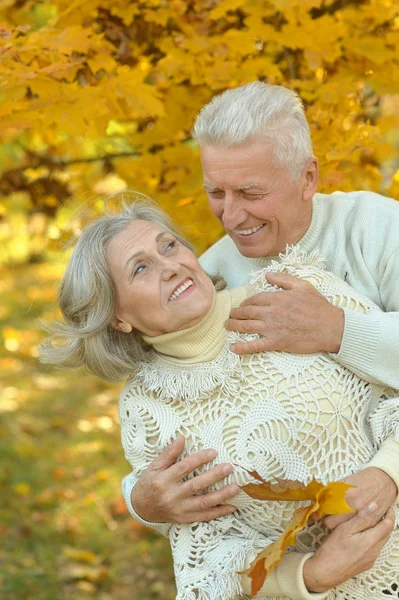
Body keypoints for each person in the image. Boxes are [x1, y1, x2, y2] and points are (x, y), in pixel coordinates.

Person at [40, 198, 398, 599]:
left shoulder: (291, 293)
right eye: (141, 267)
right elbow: (209, 550)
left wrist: (388, 472)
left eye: (169, 246)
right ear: (117, 317)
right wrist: (309, 576)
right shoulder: (148, 408)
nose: (170, 265)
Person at [122, 81, 399, 540]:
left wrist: (338, 329)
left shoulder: (377, 229)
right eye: (216, 193)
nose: (231, 217)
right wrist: (139, 499)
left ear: (308, 178)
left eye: (250, 193)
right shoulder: (207, 278)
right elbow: (164, 403)